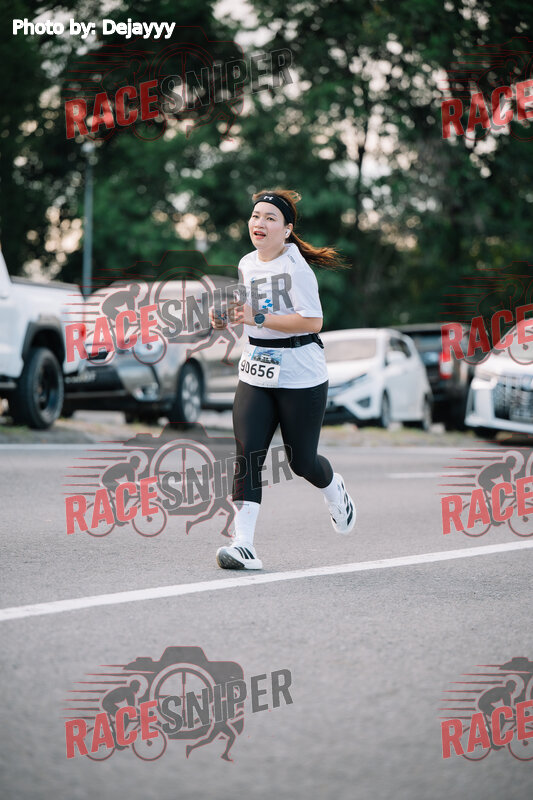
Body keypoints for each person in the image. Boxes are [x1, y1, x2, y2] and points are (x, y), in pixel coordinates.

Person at [212, 189, 356, 570]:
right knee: (247, 454)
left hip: (300, 372)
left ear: (287, 229)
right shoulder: (246, 263)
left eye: (270, 218)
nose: (259, 223)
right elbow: (250, 311)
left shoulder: (297, 269)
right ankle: (243, 544)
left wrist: (256, 317)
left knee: (301, 461)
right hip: (256, 367)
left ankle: (334, 489)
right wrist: (228, 316)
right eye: (255, 216)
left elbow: (313, 321)